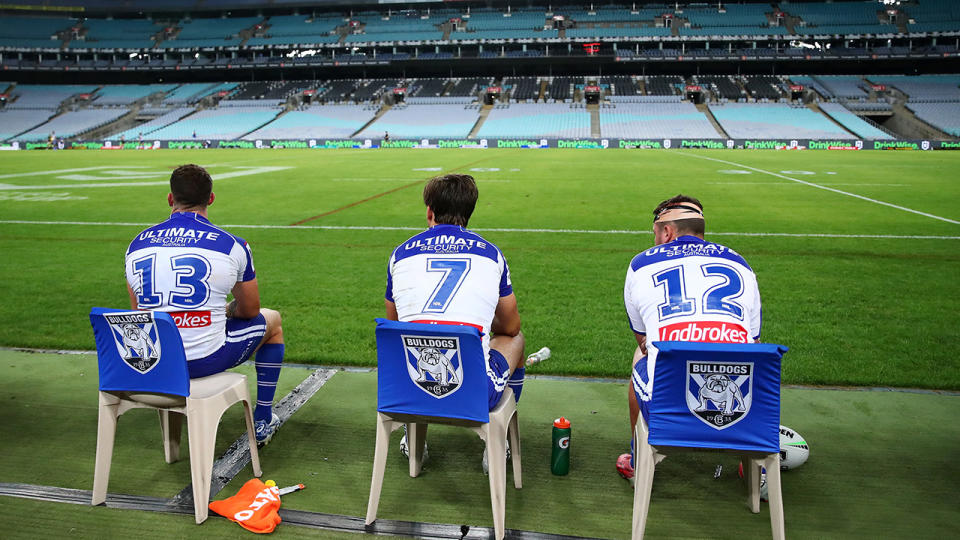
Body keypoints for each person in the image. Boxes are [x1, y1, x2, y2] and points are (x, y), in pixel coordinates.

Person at [124, 164, 286, 444]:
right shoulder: (232, 245)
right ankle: (262, 418)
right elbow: (249, 310)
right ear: (211, 198)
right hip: (201, 360)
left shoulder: (136, 244)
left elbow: (139, 314)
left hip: (152, 361)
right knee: (273, 321)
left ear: (169, 198)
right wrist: (225, 310)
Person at [617, 194, 762, 479]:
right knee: (747, 357)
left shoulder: (640, 264)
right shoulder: (740, 263)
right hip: (740, 406)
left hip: (673, 402)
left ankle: (639, 460)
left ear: (668, 231)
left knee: (643, 355)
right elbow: (755, 343)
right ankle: (753, 459)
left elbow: (644, 341)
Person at [384, 173, 525, 465]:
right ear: (469, 212)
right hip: (470, 390)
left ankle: (413, 440)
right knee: (515, 339)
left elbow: (394, 323)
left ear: (429, 211)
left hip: (405, 387)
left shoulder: (399, 254)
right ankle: (497, 444)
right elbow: (510, 326)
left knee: (412, 340)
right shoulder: (491, 254)